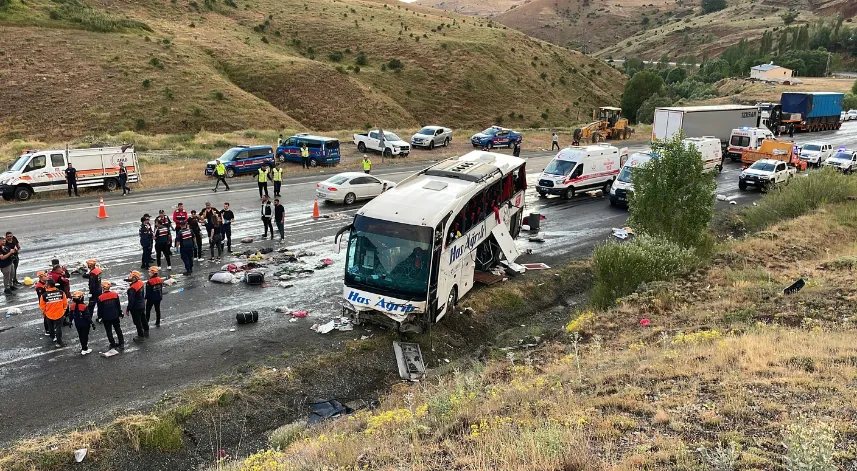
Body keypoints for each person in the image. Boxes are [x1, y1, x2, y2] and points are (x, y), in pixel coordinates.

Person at [40, 279, 68, 348]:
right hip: (59, 313)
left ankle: (53, 337)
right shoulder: (61, 293)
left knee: (50, 327)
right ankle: (59, 342)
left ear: (48, 285)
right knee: (59, 328)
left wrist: (45, 312)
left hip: (49, 314)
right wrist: (63, 310)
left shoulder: (44, 295)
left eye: (46, 284)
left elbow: (42, 306)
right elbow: (65, 303)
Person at [97, 281, 124, 350]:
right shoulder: (115, 294)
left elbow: (100, 309)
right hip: (115, 315)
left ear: (103, 288)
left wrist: (99, 317)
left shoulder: (100, 297)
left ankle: (113, 344)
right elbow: (118, 305)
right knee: (118, 329)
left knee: (109, 331)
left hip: (106, 317)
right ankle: (121, 343)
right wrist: (120, 313)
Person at [69, 291, 93, 355]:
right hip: (85, 324)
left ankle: (83, 347)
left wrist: (70, 321)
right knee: (85, 336)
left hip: (77, 324)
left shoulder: (72, 306)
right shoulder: (84, 306)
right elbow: (87, 316)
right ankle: (85, 348)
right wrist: (92, 323)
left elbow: (71, 315)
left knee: (80, 335)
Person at [126, 271, 148, 342]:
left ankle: (141, 336)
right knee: (143, 317)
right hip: (141, 304)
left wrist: (128, 309)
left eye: (130, 276)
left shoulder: (132, 288)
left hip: (135, 307)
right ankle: (146, 329)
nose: (129, 277)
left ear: (134, 278)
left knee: (137, 321)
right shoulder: (140, 283)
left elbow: (131, 300)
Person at [34, 271, 51, 336]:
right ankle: (47, 330)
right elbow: (42, 296)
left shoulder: (45, 282)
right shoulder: (39, 287)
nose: (47, 277)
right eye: (45, 276)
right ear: (41, 277)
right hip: (44, 303)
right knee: (46, 316)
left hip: (48, 301)